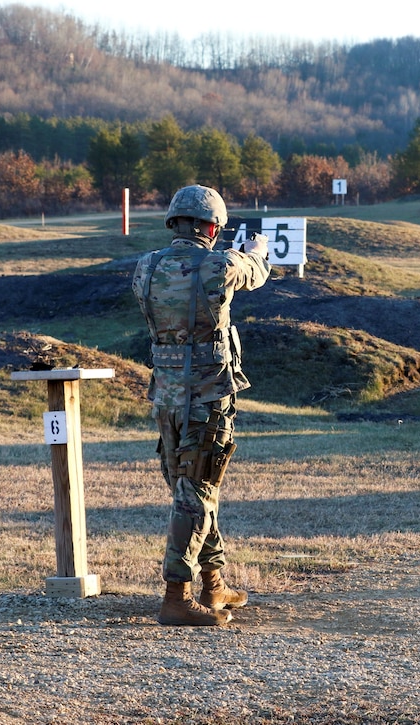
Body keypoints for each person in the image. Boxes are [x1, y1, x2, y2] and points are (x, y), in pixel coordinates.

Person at [132, 184, 270, 626]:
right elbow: (252, 271)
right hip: (207, 395)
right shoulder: (220, 264)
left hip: (167, 397)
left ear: (175, 222)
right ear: (210, 227)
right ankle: (177, 596)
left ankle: (213, 585)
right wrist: (256, 250)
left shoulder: (146, 267)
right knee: (198, 494)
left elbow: (185, 280)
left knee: (192, 489)